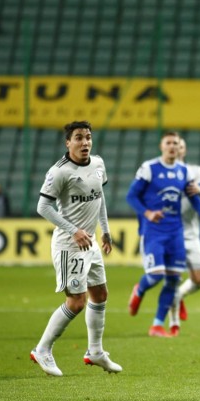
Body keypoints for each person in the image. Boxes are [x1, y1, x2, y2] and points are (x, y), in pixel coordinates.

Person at [31, 120, 121, 377]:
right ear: (68, 142)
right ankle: (42, 349)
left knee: (100, 294)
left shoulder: (98, 164)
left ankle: (95, 352)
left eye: (88, 137)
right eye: (79, 138)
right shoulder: (59, 172)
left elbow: (99, 198)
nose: (85, 142)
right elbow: (43, 207)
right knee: (76, 301)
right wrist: (74, 230)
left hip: (90, 242)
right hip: (70, 245)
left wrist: (105, 230)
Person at [126, 131, 200, 337]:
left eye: (175, 143)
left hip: (176, 231)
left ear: (181, 148)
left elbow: (194, 198)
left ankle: (157, 325)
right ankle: (139, 290)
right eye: (168, 143)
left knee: (173, 280)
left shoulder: (186, 172)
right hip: (154, 231)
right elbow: (131, 195)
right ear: (162, 146)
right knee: (155, 276)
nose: (172, 147)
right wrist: (148, 213)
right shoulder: (149, 168)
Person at [167, 135, 200, 335]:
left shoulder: (195, 171)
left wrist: (199, 190)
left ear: (184, 150)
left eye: (180, 145)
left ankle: (178, 297)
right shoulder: (162, 172)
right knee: (173, 278)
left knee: (199, 280)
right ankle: (173, 324)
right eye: (174, 144)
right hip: (170, 233)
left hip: (191, 233)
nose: (177, 148)